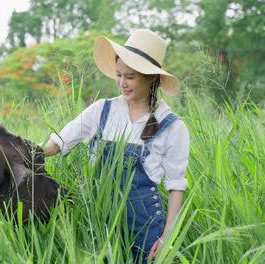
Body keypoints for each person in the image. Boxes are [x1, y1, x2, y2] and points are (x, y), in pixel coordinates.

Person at [43, 29, 189, 262]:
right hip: (99, 224)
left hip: (145, 228)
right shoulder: (102, 110)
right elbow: (59, 142)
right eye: (119, 75)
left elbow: (176, 187)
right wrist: (23, 152)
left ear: (151, 77)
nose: (122, 83)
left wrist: (167, 237)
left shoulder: (172, 126)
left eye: (130, 77)